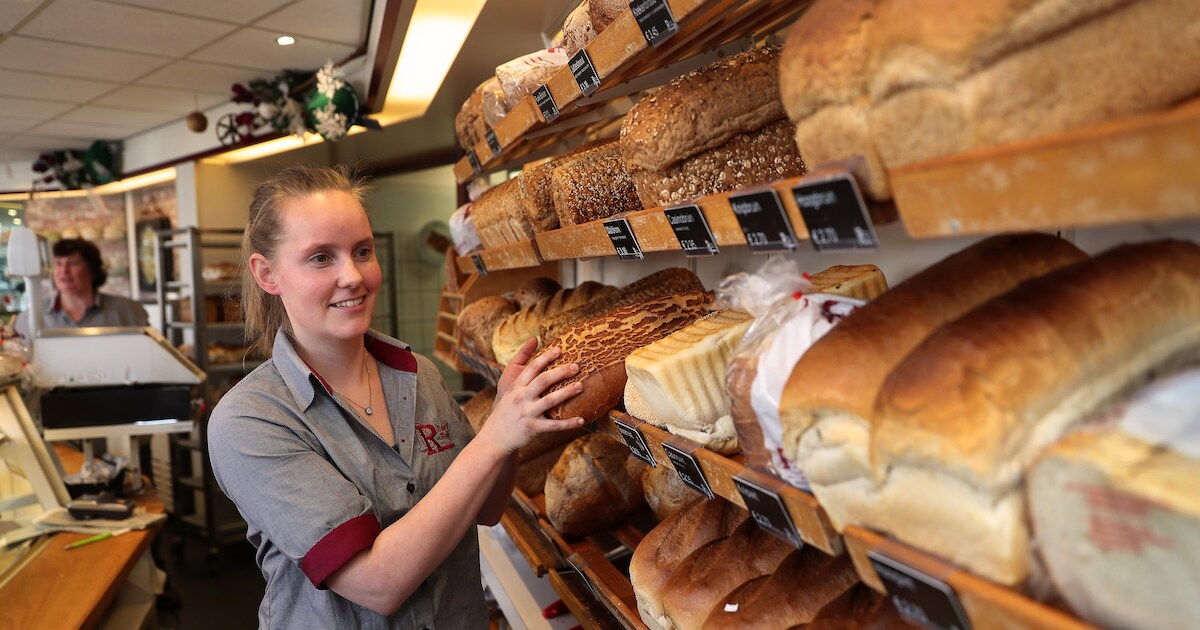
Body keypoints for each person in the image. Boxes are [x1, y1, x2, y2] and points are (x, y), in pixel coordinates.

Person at [207, 165, 584, 629]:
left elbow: (486, 508)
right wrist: (492, 440)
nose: (353, 276)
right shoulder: (251, 421)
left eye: (361, 251)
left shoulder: (419, 375)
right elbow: (377, 584)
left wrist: (510, 427)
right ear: (268, 274)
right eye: (321, 258)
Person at [14, 237, 148, 339]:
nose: (63, 271)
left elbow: (148, 356)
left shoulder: (128, 311)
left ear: (92, 270)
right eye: (58, 264)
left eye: (72, 263)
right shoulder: (31, 315)